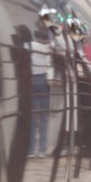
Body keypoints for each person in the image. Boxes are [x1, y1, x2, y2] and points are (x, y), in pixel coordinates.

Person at [25, 28, 54, 158]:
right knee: (44, 117)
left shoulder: (28, 45)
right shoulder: (48, 48)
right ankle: (42, 150)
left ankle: (31, 150)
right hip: (44, 80)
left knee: (32, 116)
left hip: (31, 79)